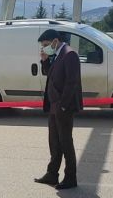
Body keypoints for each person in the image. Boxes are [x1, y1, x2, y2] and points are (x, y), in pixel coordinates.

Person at [34, 29, 82, 189]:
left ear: (55, 41)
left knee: (66, 142)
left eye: (46, 45)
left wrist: (62, 105)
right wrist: (45, 60)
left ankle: (70, 177)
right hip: (54, 106)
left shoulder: (70, 54)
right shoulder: (57, 55)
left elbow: (71, 82)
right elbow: (50, 74)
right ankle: (52, 174)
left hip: (63, 107)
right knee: (54, 142)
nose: (44, 48)